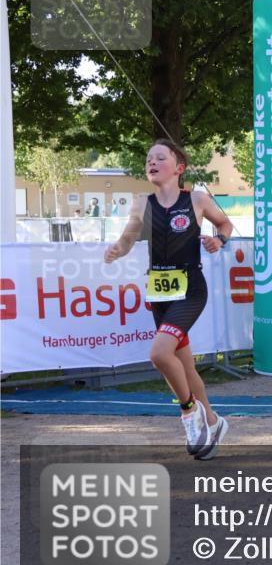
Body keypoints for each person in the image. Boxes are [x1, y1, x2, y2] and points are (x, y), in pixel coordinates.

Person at [103, 138, 233, 460]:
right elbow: (128, 238)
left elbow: (226, 224)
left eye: (160, 157)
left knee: (160, 354)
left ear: (179, 168)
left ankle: (189, 412)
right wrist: (117, 249)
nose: (152, 162)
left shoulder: (198, 200)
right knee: (185, 368)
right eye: (149, 158)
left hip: (190, 289)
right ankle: (214, 423)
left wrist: (218, 241)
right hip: (160, 293)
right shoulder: (141, 204)